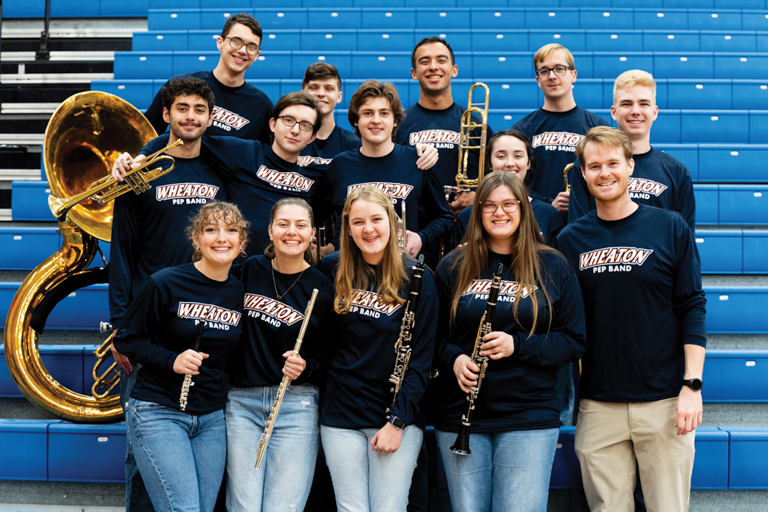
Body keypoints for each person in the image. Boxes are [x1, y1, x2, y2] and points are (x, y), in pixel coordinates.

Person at [557, 126, 706, 512]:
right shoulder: (570, 239)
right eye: (594, 166)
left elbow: (692, 306)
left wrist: (691, 386)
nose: (604, 173)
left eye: (612, 163)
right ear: (583, 175)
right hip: (598, 402)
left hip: (664, 401)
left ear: (629, 166)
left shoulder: (671, 227)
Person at [108, 77, 228, 512]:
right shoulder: (140, 171)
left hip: (208, 319)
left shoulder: (221, 166)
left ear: (210, 117)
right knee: (143, 452)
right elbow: (121, 252)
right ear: (166, 114)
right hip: (149, 324)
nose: (191, 117)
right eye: (182, 109)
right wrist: (122, 326)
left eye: (200, 109)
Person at [433, 172, 585, 512]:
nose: (498, 213)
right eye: (489, 205)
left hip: (528, 413)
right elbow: (433, 339)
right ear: (478, 211)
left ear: (523, 209)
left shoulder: (553, 265)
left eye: (508, 204)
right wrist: (455, 359)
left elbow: (574, 341)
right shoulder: (451, 267)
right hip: (461, 413)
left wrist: (518, 345)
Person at [113, 201, 248, 512]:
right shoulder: (166, 282)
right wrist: (170, 359)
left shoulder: (242, 290)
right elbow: (126, 340)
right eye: (211, 230)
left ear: (242, 242)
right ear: (196, 238)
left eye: (231, 230)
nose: (221, 238)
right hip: (159, 411)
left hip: (212, 418)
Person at [318, 186, 438, 511]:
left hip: (394, 417)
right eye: (358, 222)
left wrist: (397, 421)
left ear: (393, 223)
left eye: (376, 219)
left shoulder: (419, 277)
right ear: (347, 228)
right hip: (340, 414)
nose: (368, 229)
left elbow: (421, 358)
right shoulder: (331, 269)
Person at [121, 91, 330, 258]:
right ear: (273, 124)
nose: (295, 130)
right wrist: (141, 157)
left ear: (312, 137)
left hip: (285, 269)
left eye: (305, 125)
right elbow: (181, 137)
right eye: (288, 120)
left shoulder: (316, 174)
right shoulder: (244, 152)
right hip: (238, 269)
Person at [225, 197, 335, 512]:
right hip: (242, 403)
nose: (292, 232)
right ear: (270, 230)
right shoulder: (248, 270)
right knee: (243, 506)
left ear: (313, 233)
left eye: (301, 225)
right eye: (284, 224)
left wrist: (307, 367)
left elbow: (329, 356)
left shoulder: (323, 287)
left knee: (284, 507)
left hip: (296, 405)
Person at [326, 80, 452, 260]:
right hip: (351, 270)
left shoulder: (418, 161)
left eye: (384, 113)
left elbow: (444, 218)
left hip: (401, 268)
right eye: (368, 113)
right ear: (356, 120)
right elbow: (317, 214)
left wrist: (421, 238)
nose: (376, 120)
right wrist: (330, 245)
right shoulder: (339, 166)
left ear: (395, 121)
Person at [569, 69, 696, 231]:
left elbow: (684, 242)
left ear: (654, 112)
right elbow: (578, 232)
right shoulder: (589, 165)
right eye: (626, 104)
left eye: (643, 104)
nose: (635, 111)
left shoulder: (676, 171)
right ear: (613, 112)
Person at [396, 36, 493, 217]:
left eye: (441, 60)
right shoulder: (399, 124)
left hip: (465, 224)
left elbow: (495, 177)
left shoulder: (476, 122)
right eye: (425, 62)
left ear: (454, 70)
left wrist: (476, 196)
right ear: (414, 73)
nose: (433, 66)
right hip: (417, 227)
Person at [144, 13, 273, 143]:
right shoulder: (179, 86)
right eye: (236, 41)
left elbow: (270, 157)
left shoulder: (262, 106)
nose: (243, 50)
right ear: (220, 43)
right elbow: (145, 134)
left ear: (257, 54)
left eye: (251, 47)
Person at [512, 43, 610, 214]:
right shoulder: (521, 130)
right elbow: (513, 183)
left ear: (573, 75)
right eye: (544, 71)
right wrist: (546, 206)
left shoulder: (598, 128)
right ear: (538, 80)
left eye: (559, 68)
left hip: (587, 220)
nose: (552, 76)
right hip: (537, 222)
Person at [452, 130, 564, 249]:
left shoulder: (549, 214)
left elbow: (556, 264)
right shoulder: (467, 216)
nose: (510, 163)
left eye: (518, 156)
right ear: (489, 163)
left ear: (528, 163)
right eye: (501, 156)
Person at [299, 62, 360, 165]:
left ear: (339, 97)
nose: (321, 94)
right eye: (314, 87)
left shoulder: (354, 144)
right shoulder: (290, 139)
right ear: (303, 95)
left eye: (329, 88)